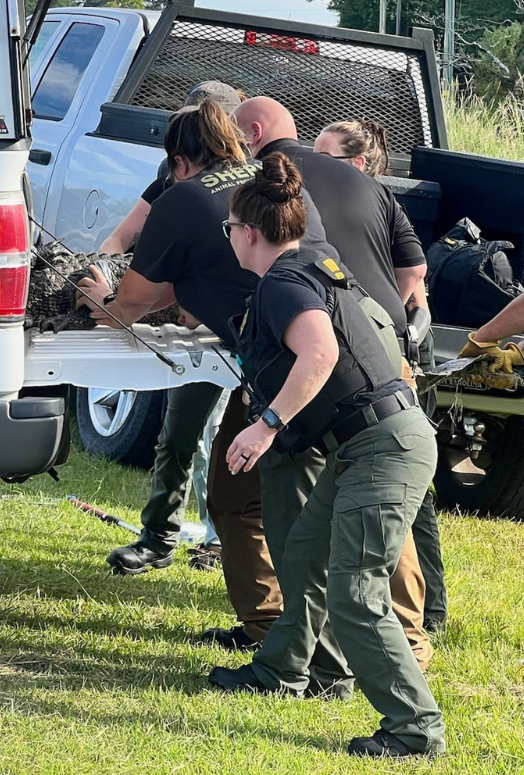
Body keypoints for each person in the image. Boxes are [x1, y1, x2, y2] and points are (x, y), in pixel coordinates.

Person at [207, 154, 444, 759]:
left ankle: (414, 728)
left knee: (354, 592)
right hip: (372, 440)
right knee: (306, 557)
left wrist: (264, 426)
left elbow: (317, 354)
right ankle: (283, 670)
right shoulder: (318, 263)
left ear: (249, 233)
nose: (229, 238)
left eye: (229, 229)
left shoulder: (285, 282)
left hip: (381, 446)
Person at [78, 98, 337, 649]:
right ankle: (297, 637)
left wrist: (91, 292)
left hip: (285, 367)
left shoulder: (184, 198)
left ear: (178, 161)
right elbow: (210, 272)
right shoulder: (271, 179)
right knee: (289, 503)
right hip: (340, 339)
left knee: (253, 505)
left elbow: (124, 307)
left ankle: (285, 640)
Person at [235, 98, 437, 662]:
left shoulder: (271, 201)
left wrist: (269, 421)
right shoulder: (376, 189)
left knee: (352, 514)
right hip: (385, 347)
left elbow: (317, 350)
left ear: (254, 137)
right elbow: (415, 273)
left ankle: (332, 653)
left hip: (333, 360)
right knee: (390, 510)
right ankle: (411, 634)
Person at [96, 80, 246, 576]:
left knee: (224, 445)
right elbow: (136, 238)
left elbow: (130, 305)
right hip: (242, 331)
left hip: (258, 340)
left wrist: (103, 300)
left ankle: (225, 543)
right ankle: (159, 537)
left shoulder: (205, 191)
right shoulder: (256, 178)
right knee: (183, 432)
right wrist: (105, 260)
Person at [317, 116, 450, 632]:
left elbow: (413, 276)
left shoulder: (366, 197)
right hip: (385, 345)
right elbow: (412, 273)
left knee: (405, 496)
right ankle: (422, 613)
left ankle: (421, 616)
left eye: (325, 156)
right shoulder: (376, 201)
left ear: (355, 163)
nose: (312, 165)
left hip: (385, 354)